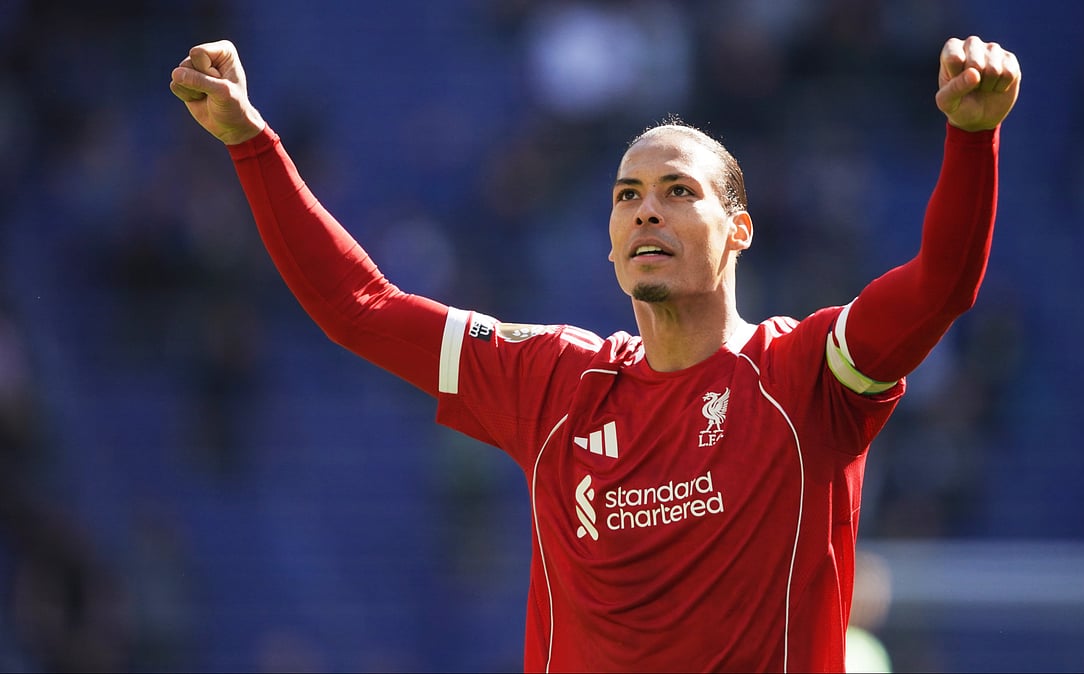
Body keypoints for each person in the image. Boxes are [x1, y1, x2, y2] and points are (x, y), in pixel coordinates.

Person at [170, 34, 1019, 672]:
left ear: (739, 231)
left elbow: (941, 285)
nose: (646, 210)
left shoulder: (805, 377)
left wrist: (971, 139)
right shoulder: (553, 382)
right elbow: (361, 308)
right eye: (627, 197)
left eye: (678, 191)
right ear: (610, 247)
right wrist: (251, 143)